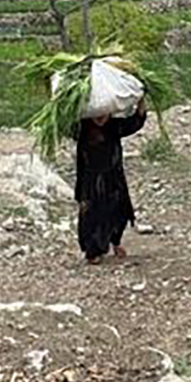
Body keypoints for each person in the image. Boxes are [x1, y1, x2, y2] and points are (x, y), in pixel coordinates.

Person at [75, 102, 148, 265]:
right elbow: (61, 124)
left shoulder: (115, 126)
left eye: (104, 114)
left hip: (113, 176)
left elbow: (135, 122)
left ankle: (115, 241)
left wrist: (141, 104)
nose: (100, 118)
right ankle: (93, 251)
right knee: (91, 214)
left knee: (118, 210)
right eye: (97, 115)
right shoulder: (81, 128)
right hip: (90, 179)